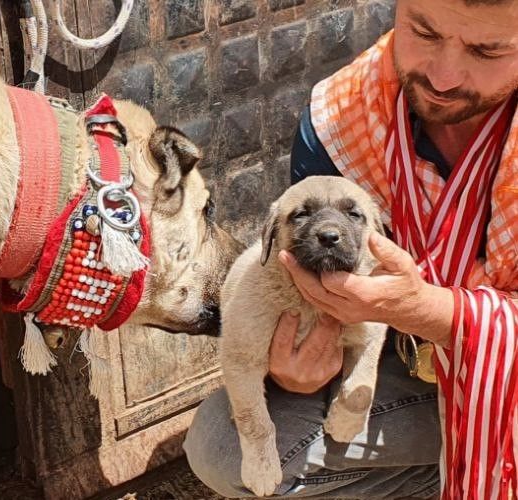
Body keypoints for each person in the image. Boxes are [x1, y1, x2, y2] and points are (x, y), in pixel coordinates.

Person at [184, 0, 518, 497]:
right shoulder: (340, 120)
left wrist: (430, 311)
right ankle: (442, 477)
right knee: (222, 446)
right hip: (409, 364)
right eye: (423, 32)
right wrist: (299, 370)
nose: (445, 77)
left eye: (487, 50)